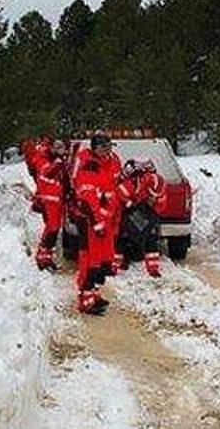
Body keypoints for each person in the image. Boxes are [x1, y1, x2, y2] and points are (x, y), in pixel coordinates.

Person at [71, 132, 122, 314]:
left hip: (104, 220)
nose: (107, 150)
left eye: (109, 147)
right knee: (90, 260)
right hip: (91, 221)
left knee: (101, 261)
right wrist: (97, 223)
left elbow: (112, 189)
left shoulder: (109, 162)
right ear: (94, 148)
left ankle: (93, 294)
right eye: (103, 147)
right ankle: (85, 300)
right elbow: (88, 199)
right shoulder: (90, 166)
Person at [116, 158, 166, 278]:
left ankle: (121, 264)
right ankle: (120, 264)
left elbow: (122, 192)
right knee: (146, 240)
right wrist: (131, 204)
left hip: (143, 212)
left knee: (127, 239)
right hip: (139, 212)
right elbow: (122, 193)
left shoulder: (150, 181)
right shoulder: (140, 181)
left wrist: (131, 205)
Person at [33, 140, 68, 271]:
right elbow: (47, 172)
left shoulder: (57, 159)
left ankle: (47, 253)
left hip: (57, 199)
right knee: (52, 227)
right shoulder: (41, 158)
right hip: (47, 199)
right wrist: (59, 161)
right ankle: (42, 254)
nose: (60, 150)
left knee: (54, 227)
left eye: (62, 147)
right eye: (57, 147)